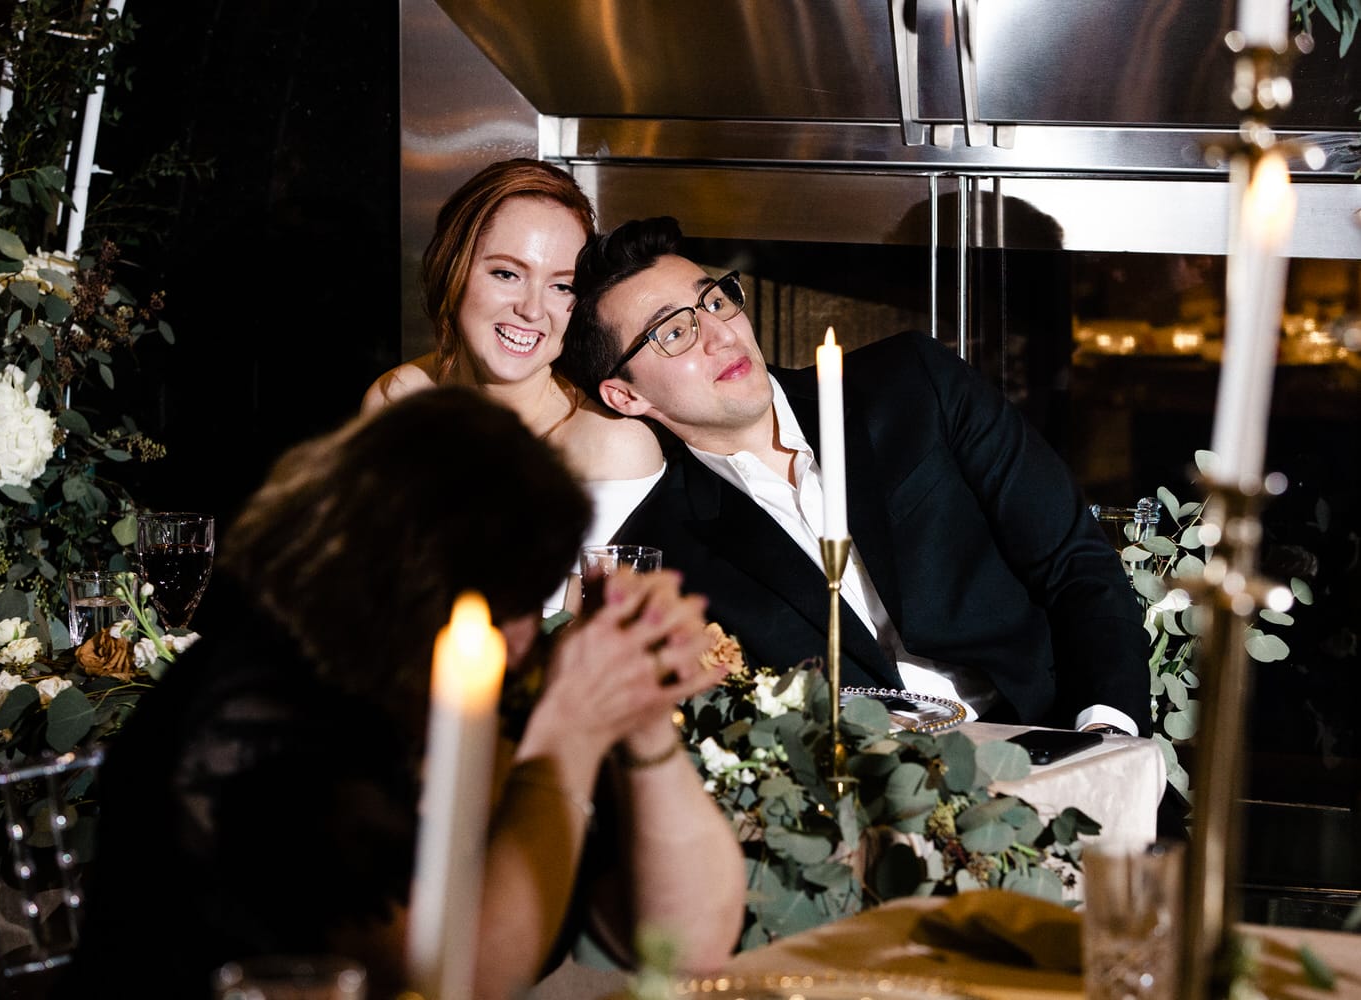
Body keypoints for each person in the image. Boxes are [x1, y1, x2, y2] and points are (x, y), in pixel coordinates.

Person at [63, 388, 744, 1000]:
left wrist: (643, 717)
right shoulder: (260, 704)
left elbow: (689, 945)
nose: (518, 638)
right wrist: (572, 733)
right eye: (499, 599)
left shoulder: (488, 686)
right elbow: (447, 978)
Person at [557, 216, 1151, 737]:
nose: (721, 332)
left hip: (1049, 735)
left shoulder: (913, 385)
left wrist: (1105, 732)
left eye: (714, 300)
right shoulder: (668, 550)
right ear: (625, 394)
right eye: (674, 332)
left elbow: (1074, 560)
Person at [361, 158, 664, 609]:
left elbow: (594, 644)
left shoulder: (613, 446)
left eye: (562, 287)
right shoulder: (398, 399)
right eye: (507, 273)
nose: (531, 310)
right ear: (454, 269)